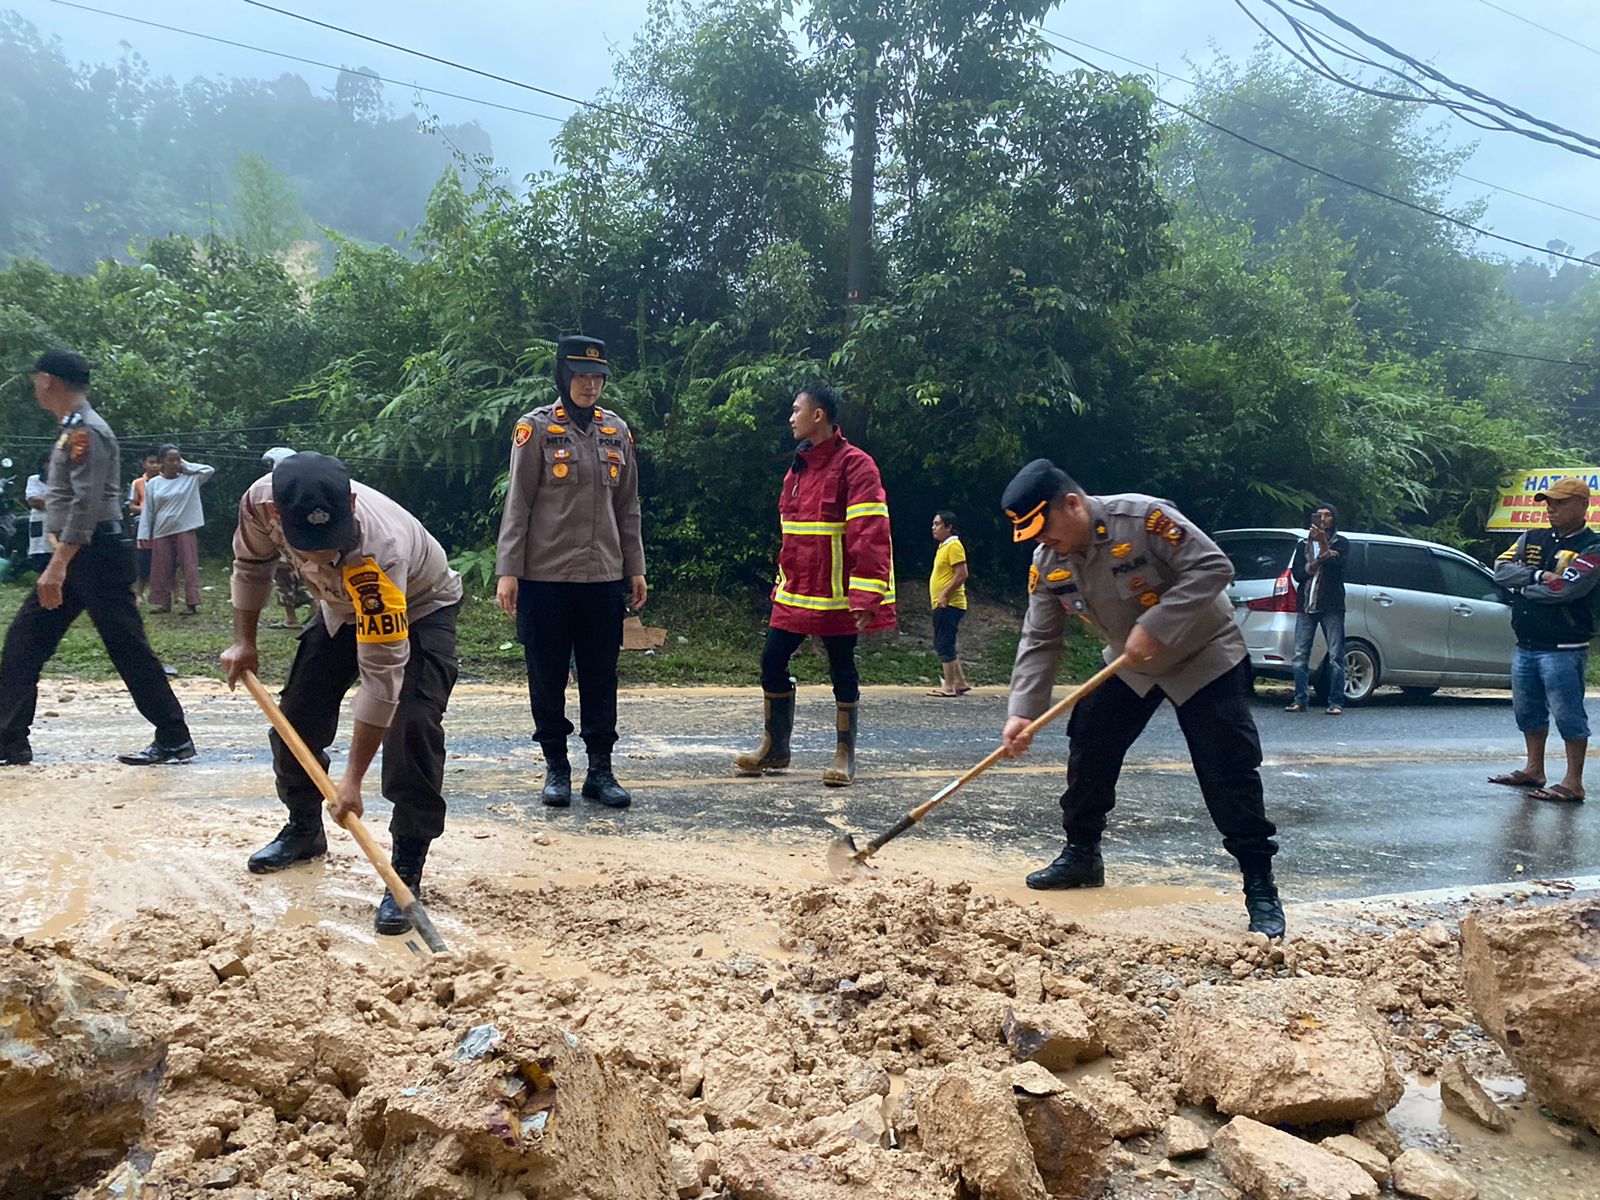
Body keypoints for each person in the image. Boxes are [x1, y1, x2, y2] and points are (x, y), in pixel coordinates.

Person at [997, 459, 1285, 938]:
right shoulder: (1049, 560)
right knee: (1090, 736)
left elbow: (1214, 566)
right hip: (1132, 663)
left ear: (1072, 504)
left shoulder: (1143, 519)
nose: (1041, 541)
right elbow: (1040, 639)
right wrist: (1022, 713)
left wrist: (1157, 625)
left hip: (1204, 654)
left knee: (1227, 766)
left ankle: (1260, 885)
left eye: (1042, 528)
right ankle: (1082, 854)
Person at [220, 452, 464, 934]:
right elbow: (250, 566)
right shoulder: (257, 504)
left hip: (418, 607)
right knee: (297, 716)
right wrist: (244, 641)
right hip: (337, 608)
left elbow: (381, 676)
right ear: (276, 516)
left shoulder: (379, 551)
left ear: (350, 503)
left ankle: (405, 869)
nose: (318, 556)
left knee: (411, 724)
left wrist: (351, 781)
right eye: (306, 544)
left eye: (328, 541)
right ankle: (304, 829)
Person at [0, 349, 195, 768]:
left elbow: (86, 503)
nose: (34, 385)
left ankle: (174, 736)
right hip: (78, 554)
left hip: (94, 555)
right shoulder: (72, 428)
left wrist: (58, 563)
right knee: (23, 642)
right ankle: (9, 740)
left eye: (37, 378)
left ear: (50, 380)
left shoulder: (87, 431)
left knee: (126, 645)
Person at [495, 336, 646, 810]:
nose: (590, 384)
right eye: (581, 375)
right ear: (563, 376)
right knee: (547, 674)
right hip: (545, 578)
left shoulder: (616, 431)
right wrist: (508, 570)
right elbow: (518, 503)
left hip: (603, 577)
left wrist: (635, 567)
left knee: (602, 676)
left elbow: (628, 507)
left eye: (597, 377)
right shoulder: (535, 429)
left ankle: (600, 770)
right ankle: (556, 767)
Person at [732, 383, 896, 786]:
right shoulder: (798, 466)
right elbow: (793, 534)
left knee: (842, 667)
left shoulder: (857, 465)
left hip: (838, 593)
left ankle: (844, 755)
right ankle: (776, 748)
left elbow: (869, 531)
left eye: (796, 410)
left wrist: (865, 594)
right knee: (771, 661)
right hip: (796, 590)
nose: (791, 418)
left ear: (818, 415)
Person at [1488, 476, 1600, 804]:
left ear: (1583, 506)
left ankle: (1573, 782)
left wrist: (1523, 587)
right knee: (1528, 712)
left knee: (1568, 715)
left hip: (1564, 647)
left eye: (1561, 502)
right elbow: (1500, 570)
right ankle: (1534, 769)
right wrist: (1537, 576)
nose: (1551, 508)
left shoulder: (1592, 547)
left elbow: (1566, 589)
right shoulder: (1532, 536)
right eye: (1549, 502)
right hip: (1526, 644)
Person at [1286, 502, 1350, 715]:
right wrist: (1314, 564)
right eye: (1319, 515)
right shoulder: (1302, 544)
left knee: (1335, 656)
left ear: (1334, 519)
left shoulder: (1341, 543)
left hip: (1331, 604)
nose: (1322, 519)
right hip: (1306, 603)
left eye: (1327, 515)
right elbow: (1297, 574)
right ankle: (1300, 699)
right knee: (1300, 654)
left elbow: (1335, 569)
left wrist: (1323, 544)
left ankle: (1336, 701)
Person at [138, 445, 214, 616]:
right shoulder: (154, 484)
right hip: (161, 529)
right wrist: (144, 534)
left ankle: (192, 603)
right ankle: (162, 602)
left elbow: (208, 470)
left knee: (189, 566)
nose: (175, 463)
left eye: (177, 459)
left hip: (185, 528)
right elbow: (148, 510)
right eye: (170, 460)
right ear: (161, 462)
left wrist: (185, 465)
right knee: (161, 568)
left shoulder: (191, 479)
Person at [260, 447, 309, 629]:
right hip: (302, 542)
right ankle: (313, 613)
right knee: (306, 577)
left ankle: (291, 618)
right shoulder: (302, 484)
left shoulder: (273, 487)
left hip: (283, 540)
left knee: (283, 580)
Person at [927, 509, 972, 697]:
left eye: (938, 524)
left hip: (950, 603)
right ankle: (960, 683)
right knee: (947, 641)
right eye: (934, 524)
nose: (934, 528)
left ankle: (949, 687)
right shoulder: (944, 546)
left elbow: (962, 574)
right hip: (944, 603)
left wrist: (944, 595)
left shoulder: (954, 546)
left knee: (943, 642)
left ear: (949, 527)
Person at [128, 449, 159, 602]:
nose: (154, 466)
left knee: (170, 561)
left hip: (162, 524)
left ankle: (175, 594)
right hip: (143, 524)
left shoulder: (166, 481)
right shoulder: (138, 483)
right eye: (151, 462)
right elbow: (132, 506)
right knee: (143, 561)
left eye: (157, 462)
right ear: (144, 464)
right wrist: (147, 510)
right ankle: (139, 593)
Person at [25, 456, 51, 573]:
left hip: (60, 526)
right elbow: (33, 501)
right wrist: (59, 504)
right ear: (44, 465)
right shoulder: (34, 480)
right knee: (42, 559)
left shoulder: (66, 481)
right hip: (40, 524)